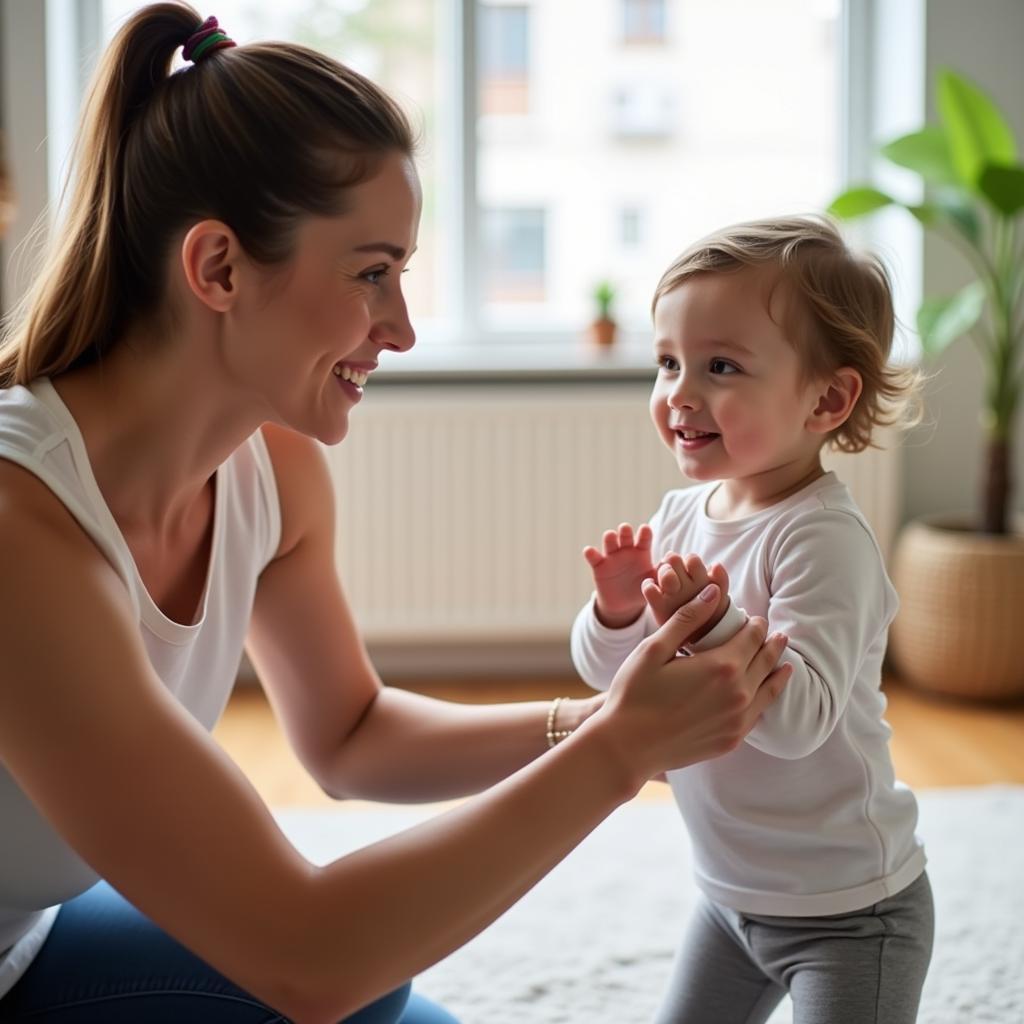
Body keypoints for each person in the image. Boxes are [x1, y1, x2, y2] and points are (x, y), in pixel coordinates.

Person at [0, 6, 793, 1022]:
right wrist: (619, 752)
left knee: (389, 982)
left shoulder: (271, 472)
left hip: (25, 946)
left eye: (402, 274)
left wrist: (592, 718)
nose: (404, 328)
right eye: (371, 272)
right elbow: (310, 954)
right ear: (218, 269)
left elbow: (349, 733)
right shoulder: (23, 530)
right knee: (352, 963)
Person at [571, 216, 934, 1024]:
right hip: (729, 900)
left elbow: (797, 720)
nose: (679, 395)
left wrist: (709, 621)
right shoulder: (679, 515)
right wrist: (618, 611)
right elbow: (610, 676)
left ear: (827, 399)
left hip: (851, 911)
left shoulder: (823, 540)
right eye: (668, 363)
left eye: (721, 367)